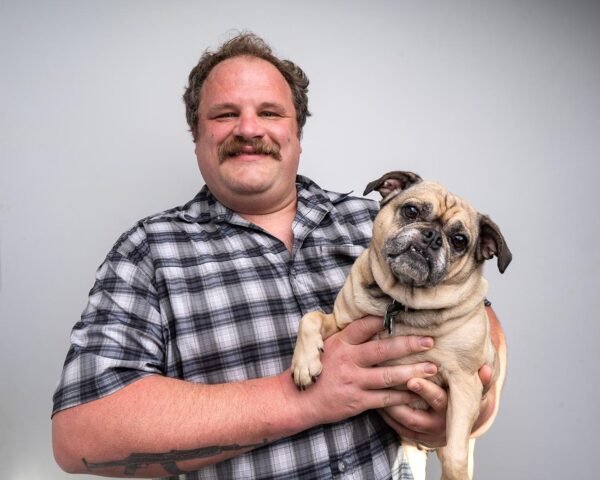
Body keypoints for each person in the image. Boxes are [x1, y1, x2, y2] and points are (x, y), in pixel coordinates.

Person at [52, 32, 502, 479]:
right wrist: (299, 398)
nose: (249, 129)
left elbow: (478, 322)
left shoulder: (376, 224)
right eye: (226, 114)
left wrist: (471, 413)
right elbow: (80, 436)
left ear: (297, 132)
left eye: (269, 112)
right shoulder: (149, 252)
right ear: (196, 134)